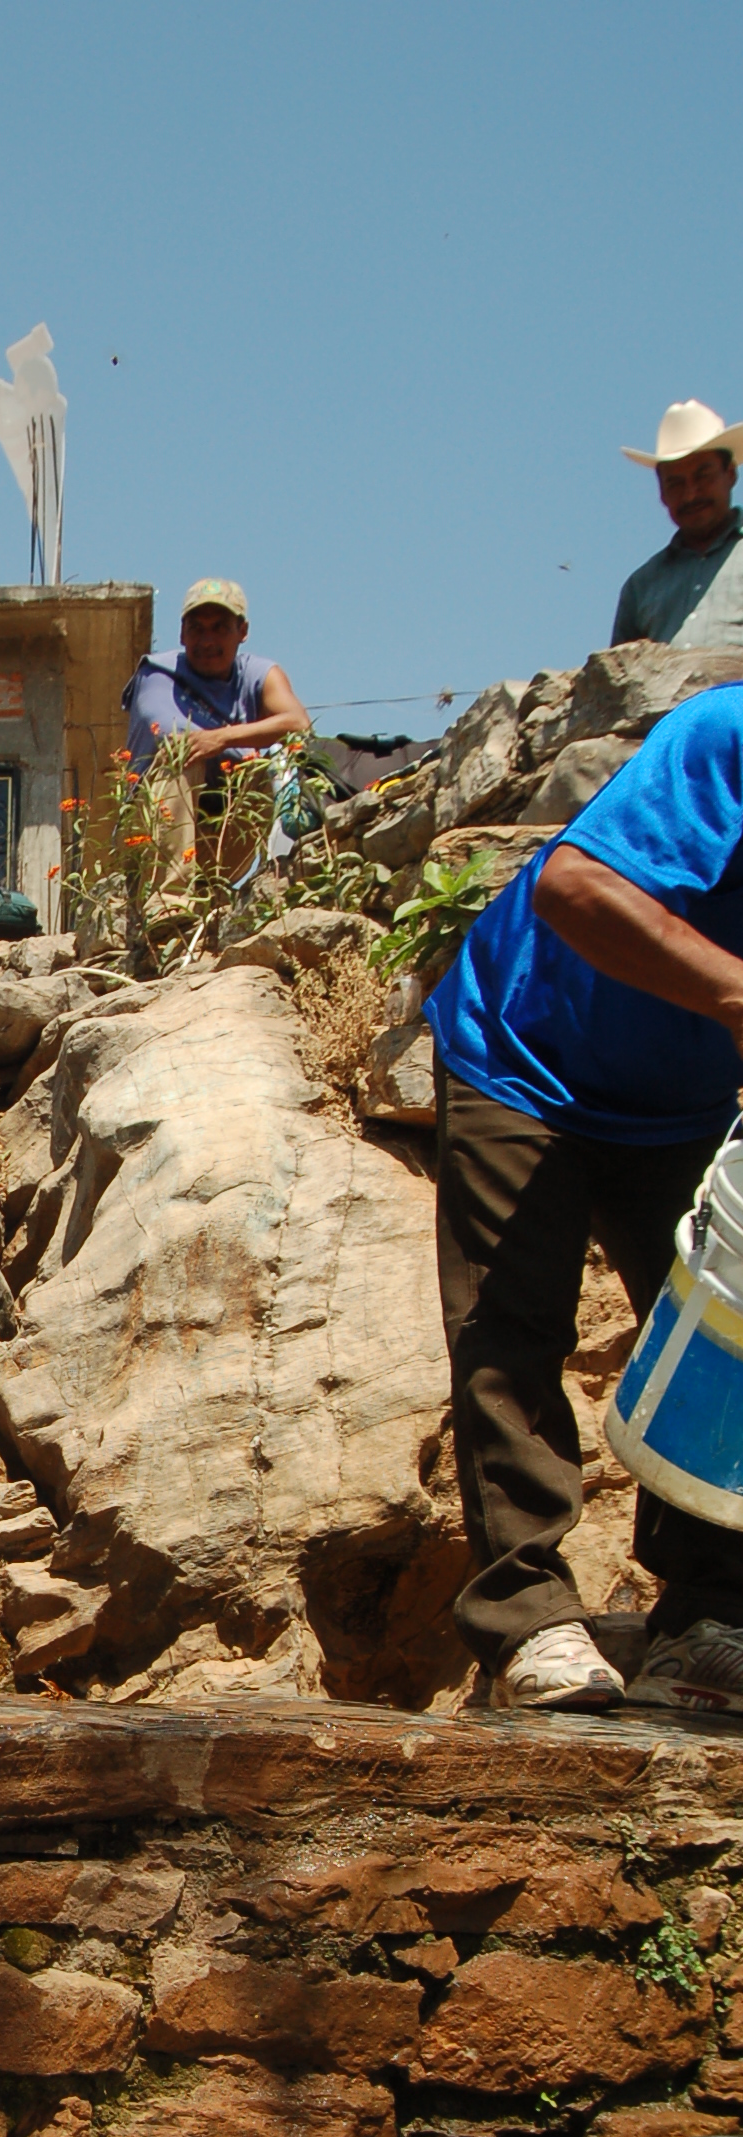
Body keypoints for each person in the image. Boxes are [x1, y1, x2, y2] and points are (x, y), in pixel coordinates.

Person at [424, 683, 743, 1714]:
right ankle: (527, 1621)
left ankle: (701, 1619)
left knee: (720, 1342)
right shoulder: (725, 733)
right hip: (523, 1052)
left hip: (684, 1092)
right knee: (510, 1326)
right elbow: (573, 886)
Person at [122, 581, 311, 913]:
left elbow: (298, 723)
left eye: (220, 628)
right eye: (197, 629)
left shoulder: (258, 673)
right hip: (152, 835)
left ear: (243, 631)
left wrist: (223, 739)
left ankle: (214, 889)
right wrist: (244, 741)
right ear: (182, 634)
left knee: (261, 775)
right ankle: (169, 904)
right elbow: (173, 734)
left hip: (218, 832)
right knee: (184, 756)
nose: (207, 640)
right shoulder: (158, 673)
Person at [613, 401, 743, 652]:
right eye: (676, 483)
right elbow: (616, 679)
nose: (691, 495)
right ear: (661, 491)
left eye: (703, 476)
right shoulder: (641, 586)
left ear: (730, 474)